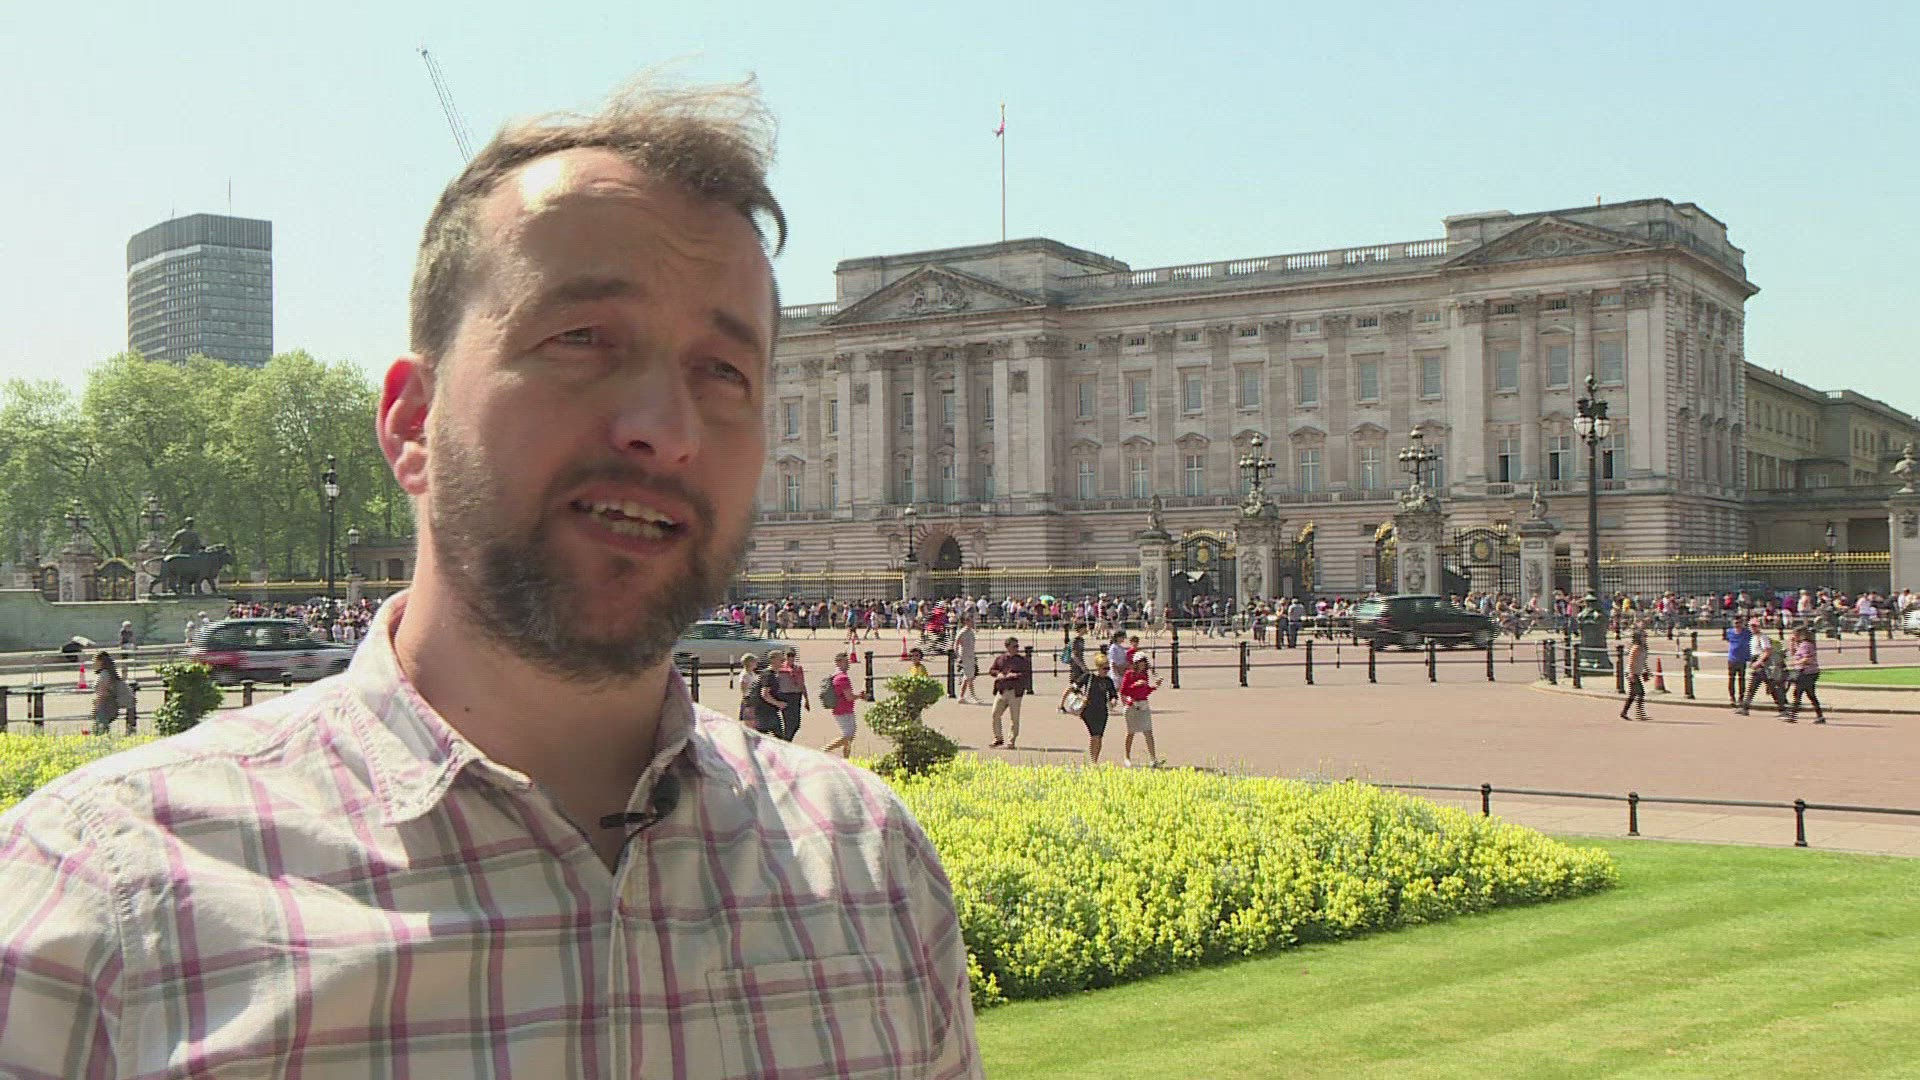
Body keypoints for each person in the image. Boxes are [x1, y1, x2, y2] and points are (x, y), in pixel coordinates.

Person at [0, 80, 980, 1077]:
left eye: (724, 373)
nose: (666, 428)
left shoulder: (878, 872)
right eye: (581, 339)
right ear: (411, 423)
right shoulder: (93, 910)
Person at [819, 651, 868, 758]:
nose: (848, 664)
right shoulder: (842, 678)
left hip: (844, 709)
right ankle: (824, 750)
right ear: (838, 662)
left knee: (850, 737)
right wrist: (860, 696)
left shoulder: (836, 676)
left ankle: (846, 758)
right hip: (843, 710)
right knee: (847, 736)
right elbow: (849, 697)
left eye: (848, 661)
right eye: (845, 662)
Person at [1118, 653, 1165, 766]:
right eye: (1140, 662)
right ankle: (1127, 757)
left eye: (1144, 661)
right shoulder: (1129, 674)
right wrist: (1135, 685)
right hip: (1132, 705)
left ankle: (1153, 759)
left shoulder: (1145, 675)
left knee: (1148, 732)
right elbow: (1123, 691)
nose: (1142, 664)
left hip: (1143, 704)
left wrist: (1154, 687)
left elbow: (1145, 691)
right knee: (1131, 732)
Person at [988, 635, 1030, 749]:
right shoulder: (1000, 659)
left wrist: (1015, 675)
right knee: (995, 714)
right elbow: (991, 670)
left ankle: (1011, 740)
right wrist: (998, 674)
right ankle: (998, 738)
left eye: (1017, 646)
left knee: (1014, 718)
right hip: (1002, 690)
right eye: (1014, 646)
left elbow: (1027, 674)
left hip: (1015, 692)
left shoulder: (1022, 660)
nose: (1016, 648)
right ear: (1007, 647)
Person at [1078, 654, 1118, 764]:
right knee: (1094, 736)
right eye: (1104, 668)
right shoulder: (1089, 677)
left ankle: (1095, 760)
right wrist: (1082, 697)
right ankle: (1093, 761)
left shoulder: (1108, 681)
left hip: (1102, 712)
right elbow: (1075, 688)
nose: (1106, 671)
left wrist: (1114, 701)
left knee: (1099, 737)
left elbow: (1113, 694)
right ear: (1098, 667)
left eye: (1108, 668)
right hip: (1089, 711)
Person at [1783, 626, 1826, 723]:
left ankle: (1793, 716)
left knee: (1798, 693)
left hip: (1807, 672)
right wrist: (1792, 642)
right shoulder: (1802, 644)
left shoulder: (1806, 645)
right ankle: (1820, 716)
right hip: (1808, 672)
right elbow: (1794, 653)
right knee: (1810, 695)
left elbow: (1807, 659)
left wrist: (1795, 663)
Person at [89, 651, 130, 737]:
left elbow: (102, 693)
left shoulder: (104, 675)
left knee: (100, 730)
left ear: (100, 662)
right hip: (111, 705)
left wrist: (95, 707)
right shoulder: (110, 674)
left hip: (104, 705)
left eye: (95, 661)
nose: (94, 664)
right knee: (103, 729)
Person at [1620, 627, 1651, 721]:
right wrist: (1632, 674)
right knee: (1640, 692)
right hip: (1632, 672)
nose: (1645, 638)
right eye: (1643, 636)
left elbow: (1643, 661)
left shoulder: (1643, 648)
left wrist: (1646, 671)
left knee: (1633, 694)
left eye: (1645, 636)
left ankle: (1625, 712)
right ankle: (1639, 714)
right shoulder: (1636, 647)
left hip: (1637, 672)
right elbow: (1631, 661)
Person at [1724, 615, 1752, 707]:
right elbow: (1728, 640)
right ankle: (1732, 697)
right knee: (1731, 679)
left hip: (1742, 659)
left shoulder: (1747, 633)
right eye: (1736, 623)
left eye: (1739, 623)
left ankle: (1741, 697)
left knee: (1741, 679)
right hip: (1732, 659)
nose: (1737, 625)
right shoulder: (1730, 632)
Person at [955, 615, 983, 704]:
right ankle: (963, 696)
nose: (973, 622)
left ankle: (969, 696)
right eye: (971, 621)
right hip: (965, 656)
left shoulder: (971, 632)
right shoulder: (962, 632)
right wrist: (958, 657)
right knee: (967, 677)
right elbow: (956, 645)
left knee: (970, 677)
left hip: (971, 656)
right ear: (966, 622)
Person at [735, 651, 762, 726]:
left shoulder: (752, 673)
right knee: (749, 720)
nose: (756, 663)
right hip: (749, 699)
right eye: (754, 662)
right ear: (749, 663)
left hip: (755, 697)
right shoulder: (745, 675)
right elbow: (744, 688)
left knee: (755, 720)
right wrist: (747, 699)